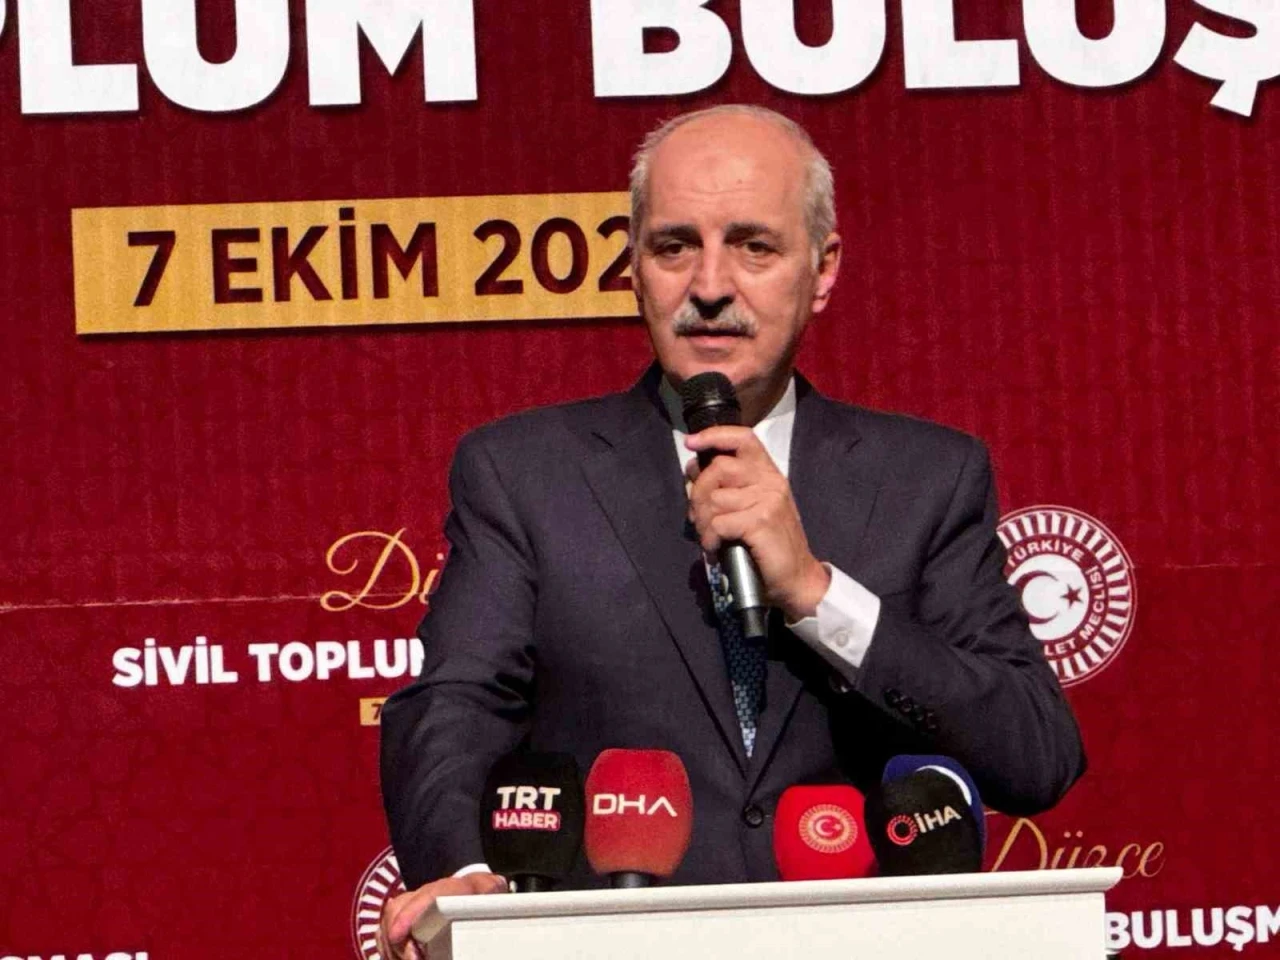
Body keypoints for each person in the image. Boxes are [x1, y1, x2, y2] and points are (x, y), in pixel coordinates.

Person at [376, 104, 1086, 959]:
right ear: (633, 268)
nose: (710, 286)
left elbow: (1034, 755)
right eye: (675, 247)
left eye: (754, 247)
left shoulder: (927, 479)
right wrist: (467, 880)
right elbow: (454, 704)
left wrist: (818, 596)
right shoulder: (524, 474)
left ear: (822, 270)